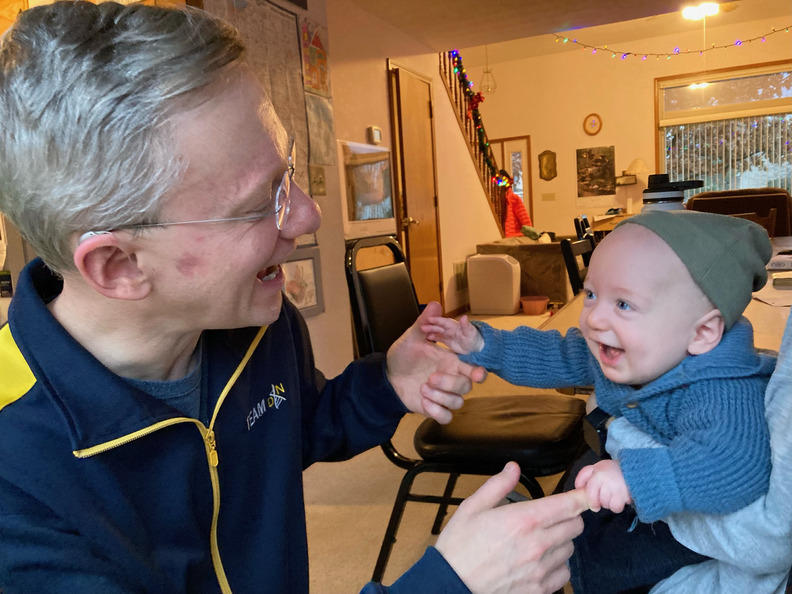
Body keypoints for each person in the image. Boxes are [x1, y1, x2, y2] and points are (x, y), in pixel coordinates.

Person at [0, 2, 589, 593]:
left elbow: (295, 429)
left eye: (290, 173)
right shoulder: (17, 485)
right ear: (119, 265)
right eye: (260, 202)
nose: (309, 214)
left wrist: (386, 381)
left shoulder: (257, 322)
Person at [423, 209, 777, 593]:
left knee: (611, 567)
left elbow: (734, 464)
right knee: (580, 529)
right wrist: (483, 344)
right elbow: (554, 354)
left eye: (623, 304)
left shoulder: (722, 390)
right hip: (626, 474)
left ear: (703, 332)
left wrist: (632, 478)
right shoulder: (628, 347)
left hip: (691, 511)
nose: (593, 319)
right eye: (591, 295)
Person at [500, 169, 533, 237]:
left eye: (503, 181)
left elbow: (525, 219)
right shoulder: (497, 199)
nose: (501, 184)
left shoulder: (513, 198)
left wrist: (529, 234)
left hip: (513, 236)